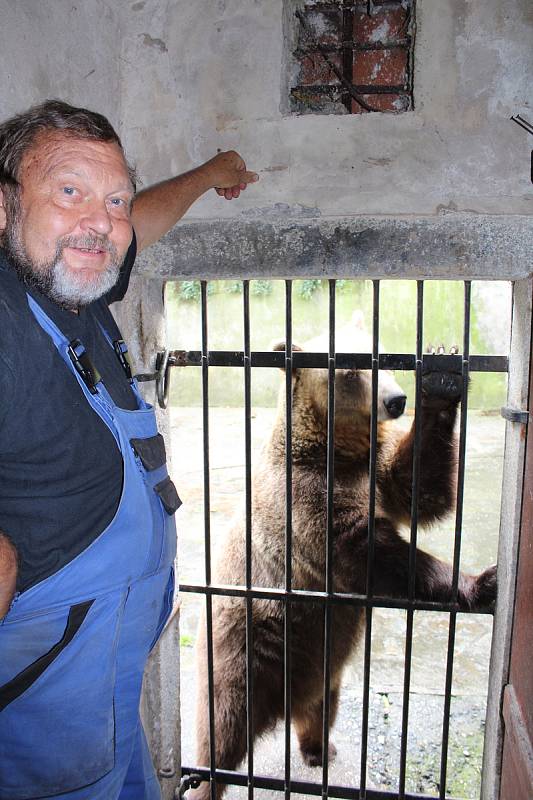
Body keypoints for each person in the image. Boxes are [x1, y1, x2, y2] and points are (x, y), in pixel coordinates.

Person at [0, 99, 258, 800]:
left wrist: (213, 172)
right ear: (3, 207)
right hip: (37, 729)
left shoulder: (75, 287)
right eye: (69, 191)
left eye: (110, 197)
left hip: (103, 698)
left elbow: (141, 220)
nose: (101, 219)